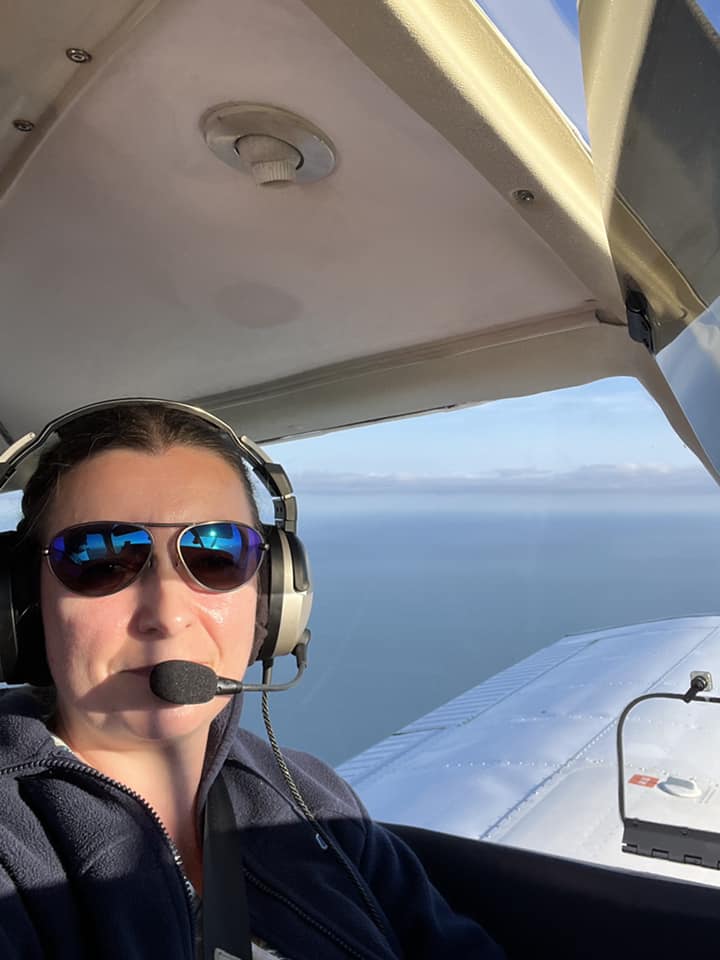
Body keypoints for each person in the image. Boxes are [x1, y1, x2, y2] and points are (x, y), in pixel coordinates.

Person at [0, 399, 504, 959]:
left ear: (270, 598)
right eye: (100, 560)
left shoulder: (306, 794)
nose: (167, 613)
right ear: (22, 603)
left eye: (216, 555)